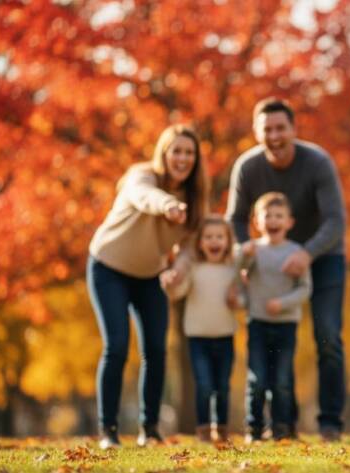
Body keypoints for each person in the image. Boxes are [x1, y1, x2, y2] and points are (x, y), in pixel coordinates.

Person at [225, 97, 347, 441]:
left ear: (293, 129)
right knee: (275, 340)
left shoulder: (317, 162)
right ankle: (283, 423)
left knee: (328, 336)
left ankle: (330, 423)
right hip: (270, 260)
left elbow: (336, 221)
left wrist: (307, 253)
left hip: (324, 256)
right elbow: (235, 219)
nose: (275, 136)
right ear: (257, 132)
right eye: (267, 129)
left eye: (281, 128)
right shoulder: (247, 167)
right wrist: (245, 255)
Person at [87, 124, 207, 449]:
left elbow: (189, 249)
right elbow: (144, 196)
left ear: (196, 159)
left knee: (156, 349)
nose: (183, 158)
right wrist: (167, 205)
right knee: (116, 345)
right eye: (176, 151)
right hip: (108, 267)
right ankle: (109, 431)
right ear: (163, 154)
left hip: (149, 275)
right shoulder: (141, 176)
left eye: (189, 153)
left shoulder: (195, 201)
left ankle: (149, 429)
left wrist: (177, 271)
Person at [240, 192, 312, 442]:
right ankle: (254, 428)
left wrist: (282, 303)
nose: (273, 220)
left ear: (289, 222)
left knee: (282, 379)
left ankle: (281, 427)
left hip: (285, 325)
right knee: (257, 378)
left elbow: (305, 289)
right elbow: (237, 276)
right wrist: (243, 256)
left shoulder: (296, 252)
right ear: (257, 222)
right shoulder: (252, 250)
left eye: (279, 216)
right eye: (267, 216)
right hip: (257, 322)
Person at [163, 215, 241, 443]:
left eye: (219, 237)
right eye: (208, 237)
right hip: (198, 338)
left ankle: (222, 428)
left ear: (228, 241)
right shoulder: (194, 269)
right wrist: (170, 284)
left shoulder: (232, 270)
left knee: (222, 386)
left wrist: (238, 300)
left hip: (225, 336)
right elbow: (179, 293)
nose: (214, 241)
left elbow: (243, 299)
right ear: (199, 243)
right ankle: (204, 429)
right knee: (204, 385)